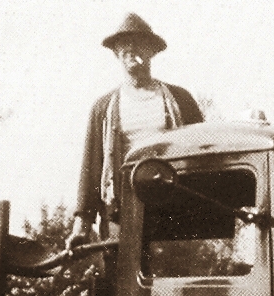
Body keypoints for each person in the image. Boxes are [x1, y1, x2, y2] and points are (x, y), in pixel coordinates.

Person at [67, 13, 204, 249]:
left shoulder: (180, 100)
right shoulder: (103, 108)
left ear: (151, 51)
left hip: (174, 211)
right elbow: (92, 169)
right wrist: (81, 227)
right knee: (123, 282)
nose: (131, 48)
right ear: (116, 53)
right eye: (123, 44)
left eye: (139, 42)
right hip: (122, 213)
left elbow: (204, 157)